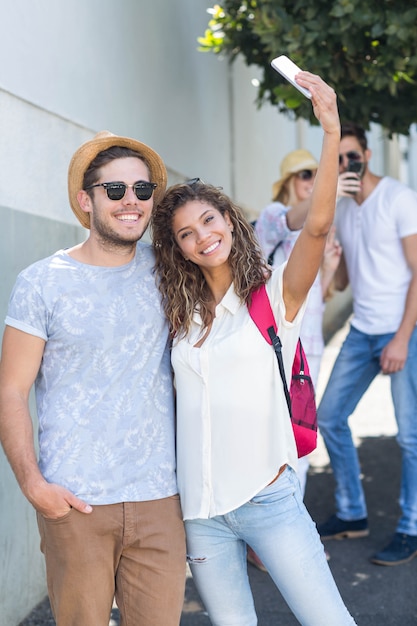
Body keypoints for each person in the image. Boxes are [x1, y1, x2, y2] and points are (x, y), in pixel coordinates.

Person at [151, 73, 356, 625]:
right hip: (202, 515)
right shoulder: (180, 315)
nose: (201, 237)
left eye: (208, 220)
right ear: (179, 249)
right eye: (185, 233)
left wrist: (330, 130)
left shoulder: (273, 296)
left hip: (270, 502)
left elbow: (316, 228)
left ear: (229, 222)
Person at [0, 131, 186, 625]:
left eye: (143, 191)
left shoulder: (170, 271)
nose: (131, 202)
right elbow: (11, 390)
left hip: (159, 498)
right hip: (75, 502)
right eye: (116, 190)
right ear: (87, 200)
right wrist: (33, 484)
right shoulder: (42, 282)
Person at [315, 122, 417, 567]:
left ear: (367, 155)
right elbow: (345, 279)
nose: (344, 166)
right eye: (336, 159)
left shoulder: (398, 199)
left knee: (411, 436)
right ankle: (352, 512)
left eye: (350, 156)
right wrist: (331, 261)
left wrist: (401, 337)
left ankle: (411, 527)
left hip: (402, 331)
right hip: (362, 330)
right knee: (328, 416)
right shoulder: (344, 210)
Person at [255, 149, 342, 494]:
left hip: (311, 347)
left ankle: (296, 522)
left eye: (315, 175)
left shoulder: (321, 224)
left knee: (302, 435)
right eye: (306, 175)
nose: (311, 182)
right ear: (289, 182)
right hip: (277, 346)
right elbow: (294, 220)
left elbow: (318, 298)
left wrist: (330, 272)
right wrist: (329, 187)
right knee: (271, 438)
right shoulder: (273, 216)